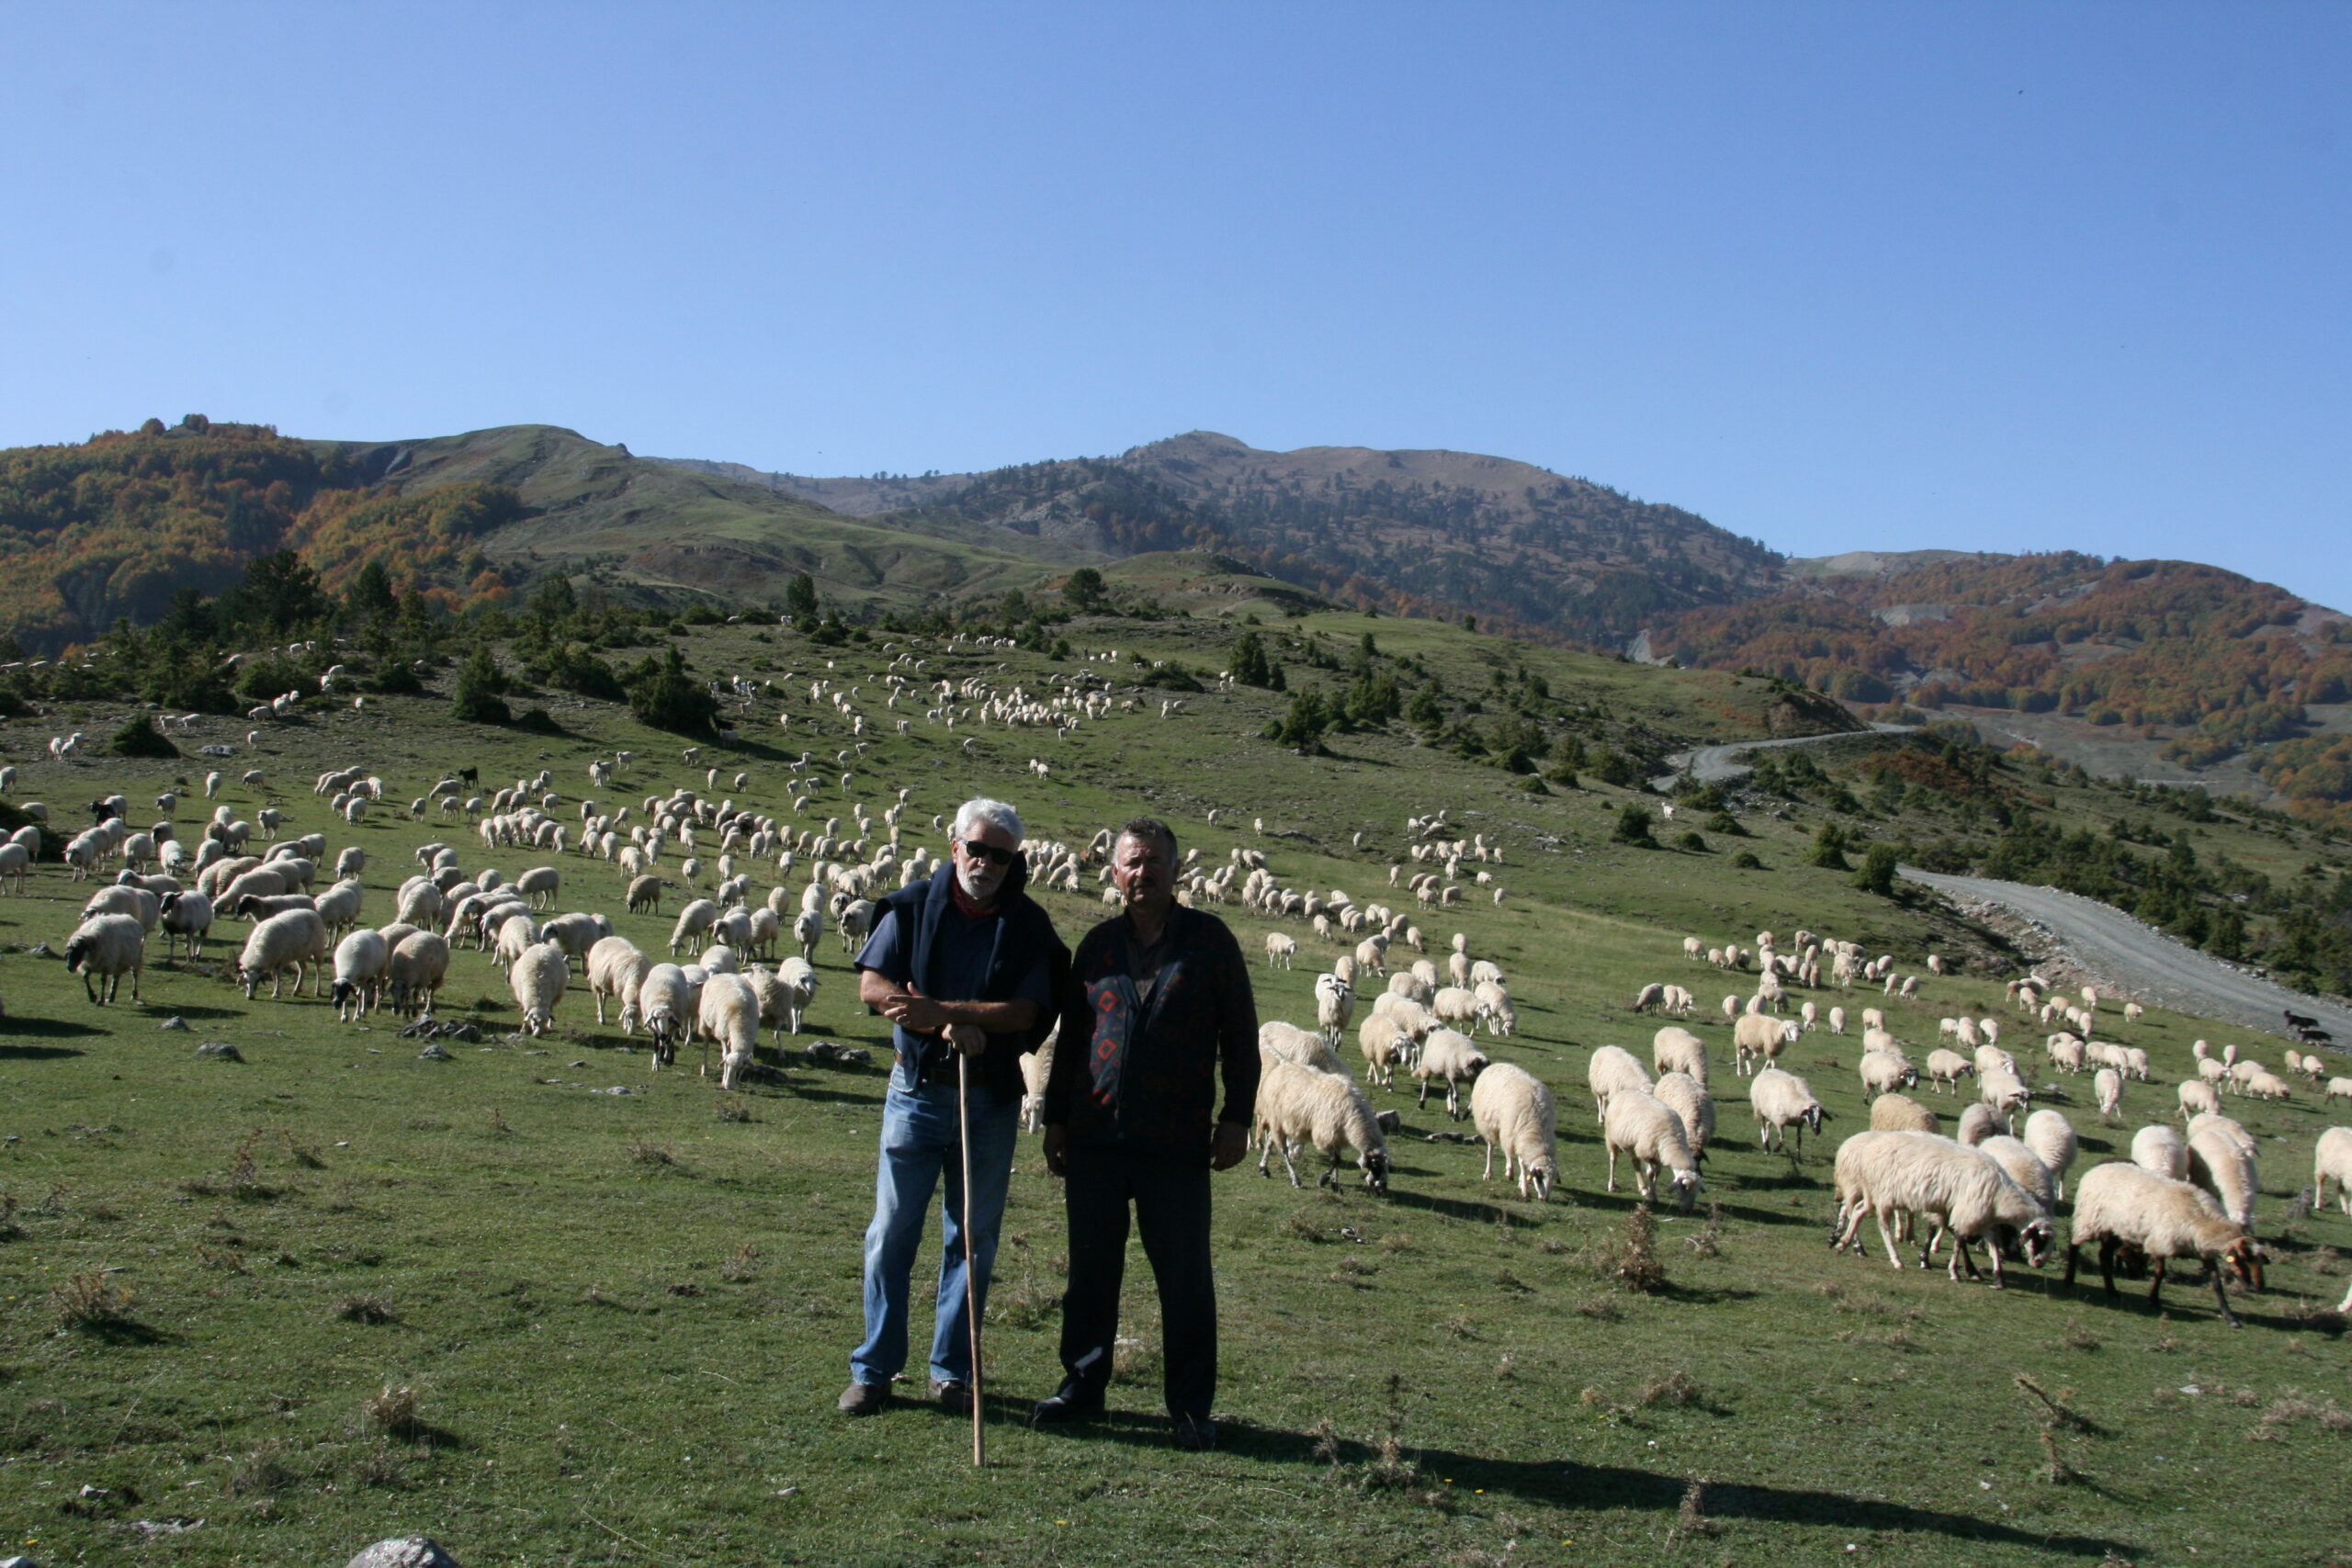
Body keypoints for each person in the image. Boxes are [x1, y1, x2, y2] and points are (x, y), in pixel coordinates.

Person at [1035, 815, 1259, 1450]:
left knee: (1185, 1278)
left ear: (1177, 870)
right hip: (1097, 1135)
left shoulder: (1210, 942)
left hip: (1177, 1141)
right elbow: (1071, 1039)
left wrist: (1237, 1116)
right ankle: (1081, 1385)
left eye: (1154, 861)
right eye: (1132, 862)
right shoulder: (1097, 945)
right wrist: (1056, 1119)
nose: (1143, 872)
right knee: (1091, 1271)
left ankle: (1190, 1406)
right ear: (1114, 872)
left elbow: (1240, 1035)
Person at [839, 797, 1065, 1417]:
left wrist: (948, 1012)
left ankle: (952, 1371)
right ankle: (875, 1367)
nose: (986, 862)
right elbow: (873, 985)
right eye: (978, 848)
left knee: (973, 1238)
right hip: (915, 1090)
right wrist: (940, 1027)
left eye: (1001, 854)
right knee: (890, 1232)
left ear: (1013, 861)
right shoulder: (911, 907)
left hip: (989, 1101)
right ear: (954, 844)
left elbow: (1027, 1011)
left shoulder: (1026, 925)